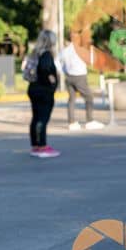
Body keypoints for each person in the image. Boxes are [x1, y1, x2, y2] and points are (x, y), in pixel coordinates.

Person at [24, 30, 61, 158]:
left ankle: (35, 145)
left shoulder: (35, 53)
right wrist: (52, 82)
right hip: (44, 90)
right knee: (42, 118)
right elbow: (45, 69)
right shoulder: (46, 55)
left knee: (36, 118)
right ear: (51, 41)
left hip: (33, 88)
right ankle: (42, 146)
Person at [59, 41, 104, 131]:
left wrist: (63, 71)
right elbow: (91, 61)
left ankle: (71, 123)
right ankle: (89, 121)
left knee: (71, 99)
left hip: (69, 77)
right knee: (89, 97)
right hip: (80, 77)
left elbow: (56, 61)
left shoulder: (66, 50)